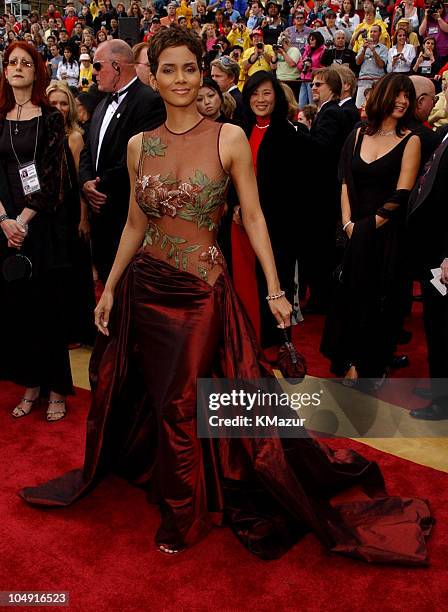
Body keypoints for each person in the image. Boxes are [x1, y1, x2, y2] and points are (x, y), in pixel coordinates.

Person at [19, 27, 433, 565]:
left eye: (189, 68)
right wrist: (111, 287)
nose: (180, 79)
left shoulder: (228, 138)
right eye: (167, 69)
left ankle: (184, 513)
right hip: (147, 288)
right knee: (153, 395)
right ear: (153, 75)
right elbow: (133, 226)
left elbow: (254, 216)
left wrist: (276, 289)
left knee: (181, 403)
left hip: (201, 293)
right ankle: (185, 487)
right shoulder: (139, 144)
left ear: (203, 73)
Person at [321, 73, 421, 381]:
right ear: (382, 96)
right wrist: (349, 224)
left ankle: (370, 365)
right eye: (397, 94)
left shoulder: (411, 140)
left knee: (379, 303)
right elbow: (343, 181)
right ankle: (349, 360)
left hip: (386, 235)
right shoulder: (358, 133)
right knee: (349, 296)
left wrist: (366, 227)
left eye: (408, 96)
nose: (403, 101)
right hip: (355, 231)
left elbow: (401, 195)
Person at [0, 42, 73, 421]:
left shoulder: (50, 118)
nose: (17, 68)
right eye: (12, 62)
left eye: (25, 63)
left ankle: (58, 388)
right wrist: (4, 221)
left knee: (47, 309)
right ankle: (31, 385)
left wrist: (22, 221)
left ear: (37, 71)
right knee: (20, 312)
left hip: (41, 226)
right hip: (5, 226)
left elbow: (49, 178)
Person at [79, 39, 166, 284]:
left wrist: (100, 188)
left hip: (127, 216)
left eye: (98, 66)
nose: (93, 73)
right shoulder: (99, 104)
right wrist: (86, 182)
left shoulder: (149, 101)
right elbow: (87, 150)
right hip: (100, 219)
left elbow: (140, 157)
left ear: (117, 66)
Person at [230, 70, 300, 351]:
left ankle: (277, 344)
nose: (260, 99)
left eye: (267, 93)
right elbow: (230, 174)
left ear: (277, 97)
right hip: (239, 221)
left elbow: (290, 186)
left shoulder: (288, 134)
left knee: (275, 281)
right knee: (245, 280)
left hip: (276, 224)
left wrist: (255, 211)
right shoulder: (237, 130)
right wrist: (237, 204)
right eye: (255, 93)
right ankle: (246, 340)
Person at [46, 80, 96, 346]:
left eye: (64, 103)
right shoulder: (39, 133)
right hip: (45, 213)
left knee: (73, 275)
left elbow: (80, 183)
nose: (59, 108)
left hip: (70, 214)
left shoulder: (74, 137)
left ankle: (76, 331)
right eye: (53, 103)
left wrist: (84, 218)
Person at [297, 68, 349, 313]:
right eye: (314, 84)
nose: (314, 88)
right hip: (329, 191)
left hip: (323, 192)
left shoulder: (330, 114)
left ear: (333, 88)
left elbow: (321, 149)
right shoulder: (331, 112)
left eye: (318, 85)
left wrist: (300, 132)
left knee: (320, 248)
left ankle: (322, 299)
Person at [408, 124, 448, 420]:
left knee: (443, 326)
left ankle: (443, 402)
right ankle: (439, 388)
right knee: (435, 325)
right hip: (431, 250)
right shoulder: (444, 133)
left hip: (444, 256)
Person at [355, 24, 388, 108]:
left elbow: (381, 64)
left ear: (380, 34)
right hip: (363, 82)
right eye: (371, 31)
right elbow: (357, 63)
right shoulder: (363, 47)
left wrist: (373, 51)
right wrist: (364, 50)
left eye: (375, 31)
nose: (372, 33)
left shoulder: (383, 48)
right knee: (359, 108)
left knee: (376, 108)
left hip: (377, 83)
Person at [210, 55, 245, 123]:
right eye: (212, 76)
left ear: (231, 77)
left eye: (218, 76)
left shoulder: (238, 101)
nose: (214, 80)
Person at [297, 30, 325, 108]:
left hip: (313, 81)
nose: (310, 41)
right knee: (301, 104)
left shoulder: (323, 51)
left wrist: (311, 68)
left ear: (318, 40)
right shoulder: (306, 50)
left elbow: (323, 68)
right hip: (304, 80)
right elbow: (299, 65)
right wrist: (303, 64)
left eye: (313, 39)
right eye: (309, 39)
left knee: (312, 104)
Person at [274, 32, 302, 101]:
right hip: (280, 80)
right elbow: (273, 67)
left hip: (292, 80)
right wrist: (275, 54)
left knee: (292, 101)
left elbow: (292, 64)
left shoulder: (294, 50)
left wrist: (283, 53)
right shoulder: (278, 52)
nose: (280, 45)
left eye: (281, 43)